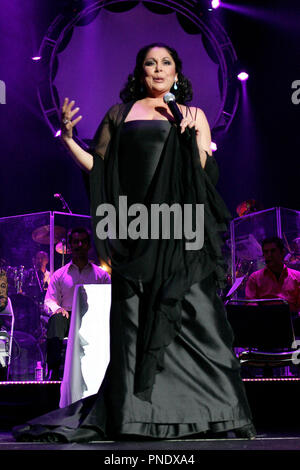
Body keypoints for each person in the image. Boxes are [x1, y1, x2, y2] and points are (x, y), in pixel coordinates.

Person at [13, 43, 255, 442]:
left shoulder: (193, 115)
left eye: (166, 63)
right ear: (139, 72)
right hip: (136, 231)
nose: (158, 70)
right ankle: (136, 416)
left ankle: (213, 411)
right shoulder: (121, 114)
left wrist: (192, 139)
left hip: (181, 231)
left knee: (197, 318)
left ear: (177, 72)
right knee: (134, 325)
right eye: (149, 63)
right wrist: (69, 138)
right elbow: (100, 167)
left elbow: (203, 174)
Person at [44, 227, 111, 380]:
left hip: (92, 318)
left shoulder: (101, 275)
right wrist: (58, 308)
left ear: (89, 245)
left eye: (83, 242)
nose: (79, 245)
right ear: (70, 246)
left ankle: (106, 372)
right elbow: (49, 300)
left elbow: (108, 300)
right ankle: (53, 371)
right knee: (56, 319)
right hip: (68, 315)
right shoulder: (59, 274)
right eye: (75, 242)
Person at [245, 236, 300, 313]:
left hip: (292, 321)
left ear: (282, 253)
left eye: (273, 251)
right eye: (266, 252)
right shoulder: (254, 278)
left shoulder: (297, 277)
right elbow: (250, 304)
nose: (269, 255)